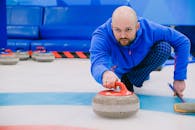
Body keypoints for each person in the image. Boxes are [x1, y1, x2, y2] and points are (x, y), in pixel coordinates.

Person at [89, 6, 190, 97]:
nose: (123, 35)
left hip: (141, 68)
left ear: (137, 26)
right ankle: (125, 77)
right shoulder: (101, 35)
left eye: (128, 29)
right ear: (112, 27)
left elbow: (182, 41)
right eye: (118, 30)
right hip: (116, 72)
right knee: (107, 69)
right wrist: (104, 73)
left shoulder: (149, 29)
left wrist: (179, 78)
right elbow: (97, 62)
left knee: (164, 47)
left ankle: (132, 78)